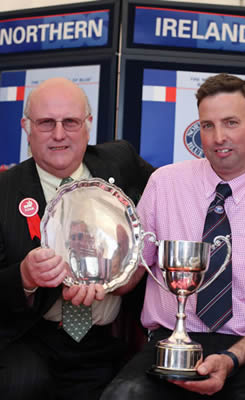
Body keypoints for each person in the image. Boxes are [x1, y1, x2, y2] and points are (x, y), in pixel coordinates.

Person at [100, 73, 245, 400]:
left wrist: (232, 359)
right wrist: (93, 275)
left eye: (231, 122)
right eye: (208, 125)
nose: (219, 137)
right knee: (122, 397)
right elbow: (131, 271)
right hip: (169, 343)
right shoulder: (165, 184)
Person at [0, 77, 154, 400]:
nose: (59, 134)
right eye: (46, 123)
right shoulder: (3, 191)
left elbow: (167, 193)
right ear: (26, 127)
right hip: (31, 339)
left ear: (88, 125)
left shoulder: (120, 161)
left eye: (70, 122)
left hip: (105, 340)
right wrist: (24, 278)